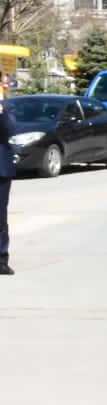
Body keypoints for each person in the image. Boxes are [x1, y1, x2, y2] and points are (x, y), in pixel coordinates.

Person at [0, 98, 13, 275]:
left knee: (0, 216)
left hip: (0, 169)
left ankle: (1, 259)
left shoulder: (5, 109)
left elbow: (10, 130)